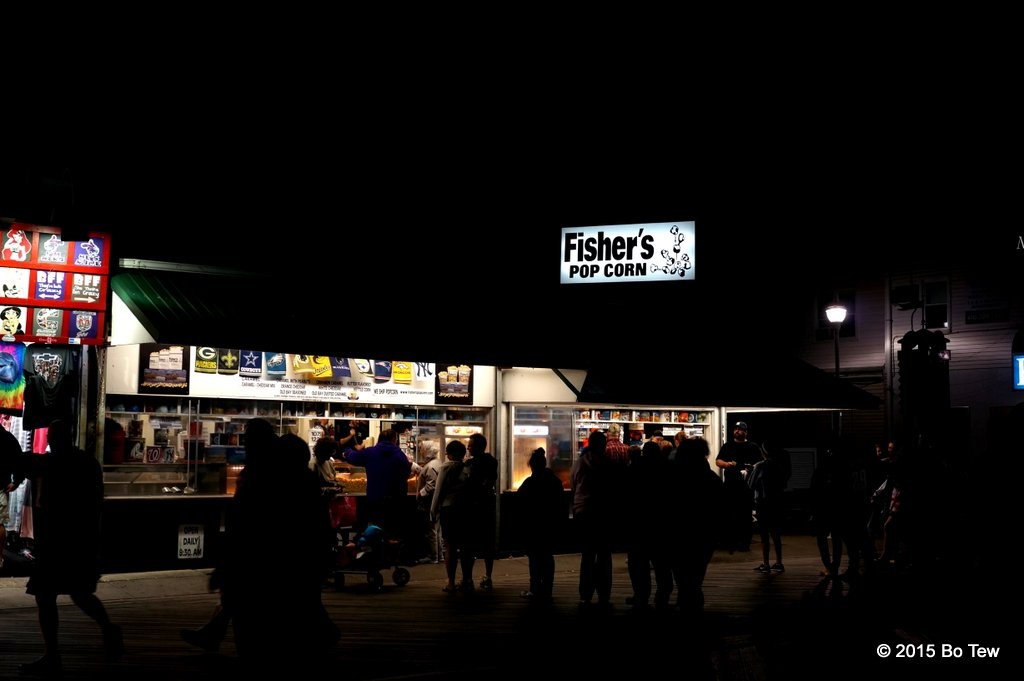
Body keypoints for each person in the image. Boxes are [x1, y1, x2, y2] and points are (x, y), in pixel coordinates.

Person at [19, 419, 123, 677]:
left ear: (56, 439)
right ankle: (106, 629)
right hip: (79, 541)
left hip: (58, 541)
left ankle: (53, 655)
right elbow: (96, 504)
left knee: (49, 596)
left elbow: (22, 461)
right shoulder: (87, 463)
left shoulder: (51, 463)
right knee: (78, 593)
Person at [671, 437, 724, 616]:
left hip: (678, 532)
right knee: (697, 569)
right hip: (704, 533)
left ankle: (685, 598)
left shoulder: (673, 476)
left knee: (680, 569)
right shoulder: (711, 479)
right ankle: (693, 598)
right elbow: (720, 507)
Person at [570, 430, 619, 608]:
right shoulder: (609, 464)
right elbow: (615, 490)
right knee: (604, 555)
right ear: (603, 445)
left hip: (584, 512)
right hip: (604, 513)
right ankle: (604, 593)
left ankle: (585, 593)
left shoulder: (580, 463)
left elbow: (574, 485)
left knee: (588, 554)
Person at [343, 429, 412, 537]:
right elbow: (407, 474)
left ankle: (377, 549)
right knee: (392, 532)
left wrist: (347, 451)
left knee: (375, 530)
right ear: (394, 440)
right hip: (395, 500)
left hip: (375, 498)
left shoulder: (371, 452)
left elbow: (353, 457)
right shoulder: (400, 455)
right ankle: (390, 548)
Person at [517, 447, 565, 601]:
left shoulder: (530, 482)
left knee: (535, 557)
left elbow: (520, 503)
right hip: (550, 525)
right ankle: (548, 588)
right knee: (547, 556)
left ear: (532, 466)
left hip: (533, 526)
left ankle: (535, 588)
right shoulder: (555, 481)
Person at [431, 440, 473, 594]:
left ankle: (451, 582)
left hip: (449, 510)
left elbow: (438, 491)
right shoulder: (468, 468)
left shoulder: (445, 467)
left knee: (450, 547)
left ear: (448, 454)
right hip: (465, 510)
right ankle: (468, 580)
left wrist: (433, 511)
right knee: (466, 547)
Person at [715, 421, 762, 552]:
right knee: (729, 514)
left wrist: (750, 469)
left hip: (746, 486)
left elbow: (760, 462)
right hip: (730, 484)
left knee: (745, 515)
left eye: (740, 429)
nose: (737, 431)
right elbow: (718, 461)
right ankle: (730, 542)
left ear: (746, 432)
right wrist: (726, 464)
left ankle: (745, 543)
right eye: (735, 429)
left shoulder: (752, 446)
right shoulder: (728, 446)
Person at [748, 441, 791, 573]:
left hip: (763, 503)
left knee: (764, 535)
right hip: (777, 502)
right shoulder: (780, 466)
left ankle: (766, 563)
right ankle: (779, 562)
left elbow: (751, 484)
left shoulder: (760, 466)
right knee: (776, 534)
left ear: (763, 452)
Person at [466, 433, 497, 590]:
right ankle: (488, 576)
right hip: (487, 506)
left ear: (478, 447)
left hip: (474, 507)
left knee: (470, 543)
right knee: (487, 543)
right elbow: (490, 482)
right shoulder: (491, 461)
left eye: (470, 445)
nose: (468, 447)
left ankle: (469, 578)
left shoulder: (470, 464)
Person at [415, 441, 444, 563]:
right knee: (437, 530)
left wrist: (420, 494)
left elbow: (431, 485)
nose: (421, 451)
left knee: (431, 530)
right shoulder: (436, 463)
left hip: (430, 502)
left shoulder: (431, 465)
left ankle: (434, 556)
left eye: (422, 449)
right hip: (436, 501)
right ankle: (440, 556)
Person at [1, 426, 25, 569]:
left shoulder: (7, 437)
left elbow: (19, 460)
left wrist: (16, 480)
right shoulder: (7, 437)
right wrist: (16, 480)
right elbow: (19, 459)